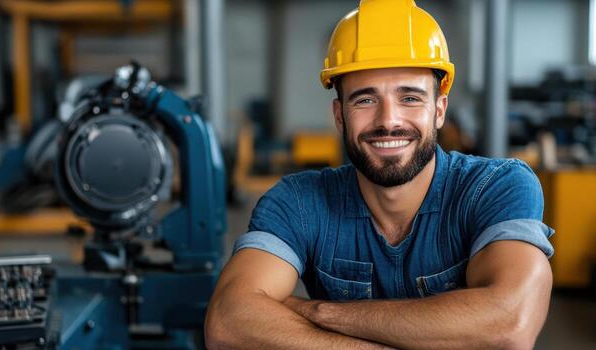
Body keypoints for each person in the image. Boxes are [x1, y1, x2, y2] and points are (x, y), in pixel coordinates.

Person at [205, 0, 554, 348]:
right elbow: (228, 321)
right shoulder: (297, 201)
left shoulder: (497, 188)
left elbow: (509, 325)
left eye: (411, 98)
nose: (388, 121)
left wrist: (322, 313)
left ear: (439, 110)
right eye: (365, 100)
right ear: (340, 116)